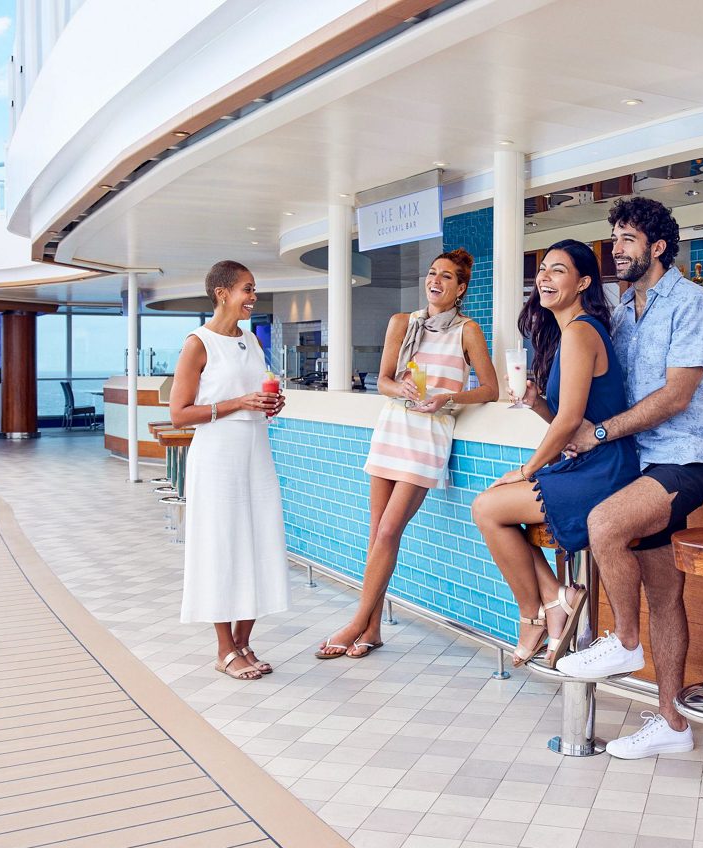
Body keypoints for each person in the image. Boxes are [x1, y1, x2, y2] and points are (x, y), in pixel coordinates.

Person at [554, 197, 703, 761]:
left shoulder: (692, 304)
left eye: (627, 239)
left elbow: (676, 396)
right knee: (665, 593)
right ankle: (673, 723)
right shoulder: (623, 308)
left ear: (656, 247)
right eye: (615, 238)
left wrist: (599, 435)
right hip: (637, 463)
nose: (616, 249)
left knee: (605, 525)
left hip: (685, 460)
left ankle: (625, 641)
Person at [315, 249, 498, 660]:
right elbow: (382, 380)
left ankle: (356, 622)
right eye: (432, 274)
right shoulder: (402, 323)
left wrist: (448, 398)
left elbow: (490, 389)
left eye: (447, 277)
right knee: (376, 533)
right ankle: (373, 629)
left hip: (428, 436)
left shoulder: (467, 330)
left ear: (460, 288)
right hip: (392, 429)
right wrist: (402, 389)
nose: (436, 281)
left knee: (387, 533)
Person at [471, 240, 640, 667]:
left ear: (583, 282)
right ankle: (554, 596)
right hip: (588, 462)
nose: (544, 277)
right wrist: (536, 401)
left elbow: (570, 424)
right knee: (493, 510)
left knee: (488, 509)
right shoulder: (571, 333)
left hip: (604, 470)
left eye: (558, 270)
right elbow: (570, 425)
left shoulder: (582, 331)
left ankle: (537, 614)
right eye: (543, 269)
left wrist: (526, 470)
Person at [170, 260, 289, 681]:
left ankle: (244, 641)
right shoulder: (198, 343)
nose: (253, 297)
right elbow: (180, 414)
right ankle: (224, 648)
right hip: (217, 456)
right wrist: (239, 403)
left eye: (254, 290)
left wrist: (270, 405)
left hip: (255, 452)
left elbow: (254, 392)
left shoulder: (252, 341)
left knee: (258, 540)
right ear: (222, 293)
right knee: (221, 545)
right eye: (247, 289)